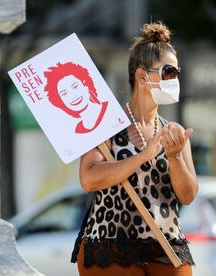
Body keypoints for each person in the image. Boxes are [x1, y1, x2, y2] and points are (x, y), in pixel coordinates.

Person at [70, 22, 197, 276]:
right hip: (111, 242)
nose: (174, 80)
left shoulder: (174, 131)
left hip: (166, 245)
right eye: (168, 72)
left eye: (176, 73)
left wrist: (174, 158)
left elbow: (187, 195)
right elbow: (88, 178)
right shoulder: (106, 125)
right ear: (142, 76)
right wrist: (142, 157)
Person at [44, 62, 108, 133]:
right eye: (64, 93)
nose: (73, 96)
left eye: (75, 86)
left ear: (85, 84)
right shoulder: (76, 131)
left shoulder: (110, 110)